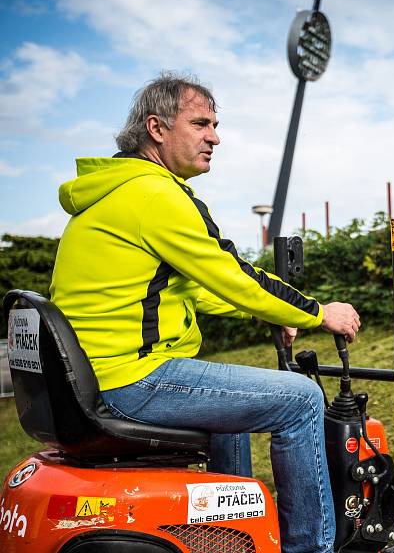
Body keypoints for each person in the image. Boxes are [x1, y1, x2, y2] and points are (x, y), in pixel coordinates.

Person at [50, 72, 359, 553]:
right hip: (128, 378)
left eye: (215, 125)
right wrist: (320, 312)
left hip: (92, 375)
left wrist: (265, 315)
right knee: (300, 398)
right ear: (156, 128)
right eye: (200, 123)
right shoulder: (157, 196)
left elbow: (193, 287)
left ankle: (229, 540)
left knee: (232, 410)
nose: (214, 136)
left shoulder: (111, 195)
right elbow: (232, 272)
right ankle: (310, 548)